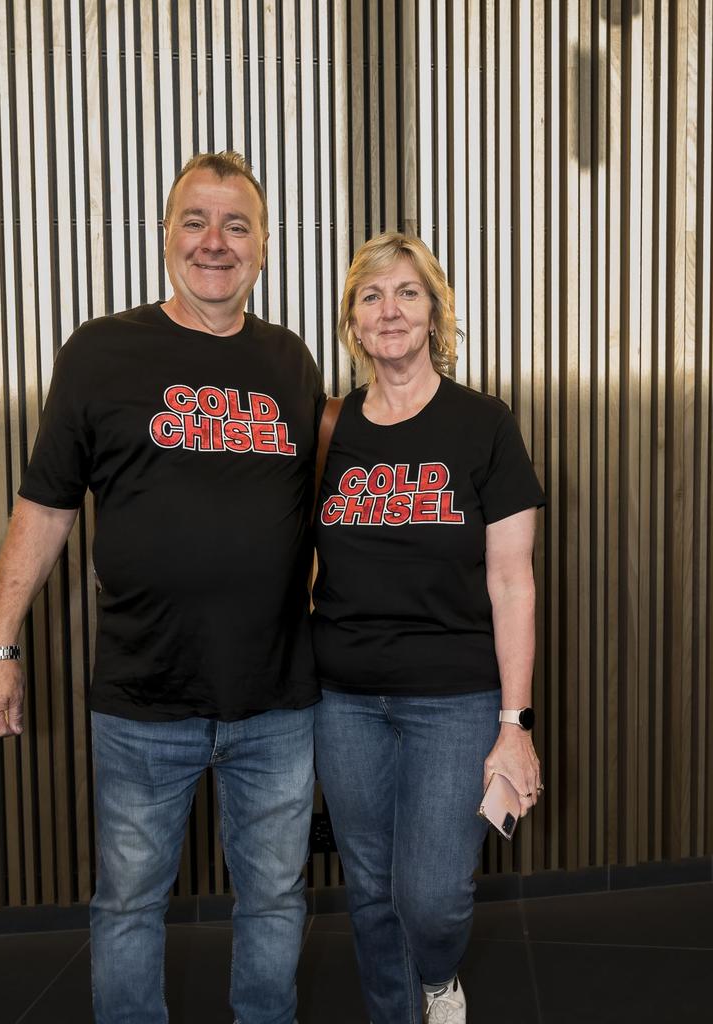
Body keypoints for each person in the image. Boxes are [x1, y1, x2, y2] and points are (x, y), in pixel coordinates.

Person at [0, 151, 324, 1024]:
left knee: (275, 902)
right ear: (165, 236)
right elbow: (44, 507)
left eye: (236, 224)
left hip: (277, 701)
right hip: (140, 700)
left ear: (265, 247)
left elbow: (314, 515)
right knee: (128, 905)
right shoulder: (100, 352)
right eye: (195, 221)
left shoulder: (292, 361)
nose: (215, 241)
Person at [311, 232, 545, 1024]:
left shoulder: (483, 425)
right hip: (342, 700)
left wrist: (515, 723)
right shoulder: (327, 432)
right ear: (353, 320)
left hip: (453, 698)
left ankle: (439, 977)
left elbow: (512, 581)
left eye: (408, 292)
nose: (390, 310)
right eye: (372, 296)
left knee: (433, 897)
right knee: (370, 892)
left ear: (436, 312)